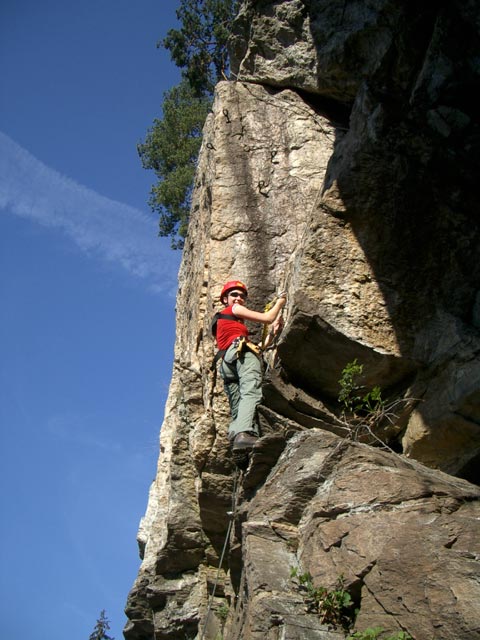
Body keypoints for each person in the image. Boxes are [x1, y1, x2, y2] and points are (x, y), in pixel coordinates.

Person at [213, 280, 286, 453]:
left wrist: (272, 335)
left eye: (241, 296)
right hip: (240, 353)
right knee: (251, 391)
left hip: (226, 363)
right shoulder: (234, 310)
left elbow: (258, 348)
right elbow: (267, 318)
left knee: (238, 404)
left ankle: (237, 441)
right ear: (225, 299)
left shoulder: (225, 321)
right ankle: (244, 435)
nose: (238, 298)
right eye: (234, 295)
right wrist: (280, 302)